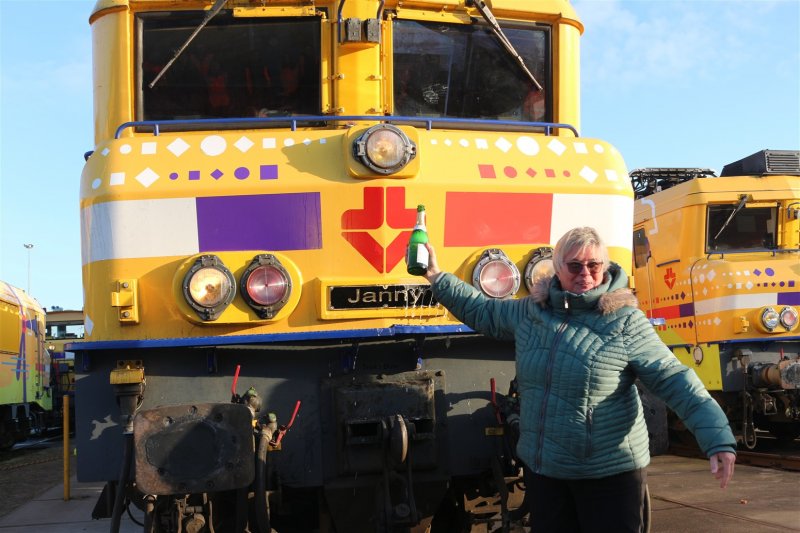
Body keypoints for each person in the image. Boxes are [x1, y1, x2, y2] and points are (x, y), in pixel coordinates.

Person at [415, 226, 736, 533]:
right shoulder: (531, 312)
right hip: (547, 472)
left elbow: (674, 379)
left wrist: (716, 438)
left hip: (608, 474)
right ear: (557, 268)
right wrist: (436, 276)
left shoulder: (624, 321)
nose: (586, 273)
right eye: (575, 265)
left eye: (594, 265)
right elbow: (482, 310)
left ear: (606, 267)